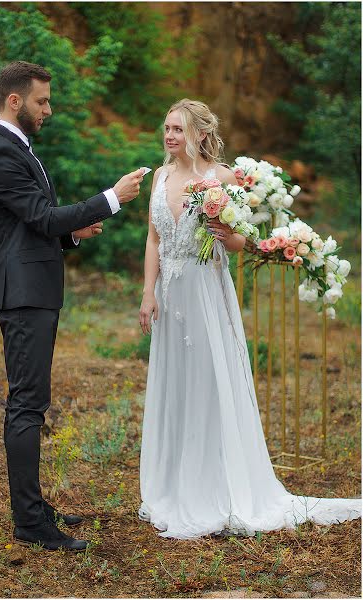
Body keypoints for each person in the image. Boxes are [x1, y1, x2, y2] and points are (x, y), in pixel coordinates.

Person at [138, 98, 361, 539]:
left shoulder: (221, 179)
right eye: (166, 128)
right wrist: (148, 292)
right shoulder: (161, 177)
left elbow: (242, 240)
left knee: (209, 380)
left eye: (178, 129)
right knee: (176, 383)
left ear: (200, 134)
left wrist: (227, 234)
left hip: (205, 290)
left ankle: (216, 485)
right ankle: (172, 484)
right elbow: (153, 237)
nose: (169, 136)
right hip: (171, 294)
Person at [0, 61, 145, 551]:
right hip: (23, 295)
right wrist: (110, 198)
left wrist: (72, 232)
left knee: (32, 403)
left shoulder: (16, 148)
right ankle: (29, 522)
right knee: (26, 406)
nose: (48, 109)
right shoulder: (0, 152)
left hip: (33, 292)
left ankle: (35, 508)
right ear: (14, 101)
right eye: (41, 101)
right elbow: (41, 216)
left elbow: (34, 225)